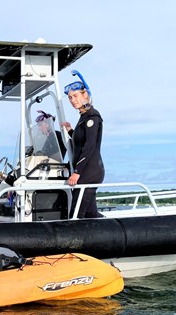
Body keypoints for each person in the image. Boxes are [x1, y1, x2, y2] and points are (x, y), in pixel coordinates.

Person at [61, 72, 105, 219]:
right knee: (90, 214)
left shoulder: (92, 116)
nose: (73, 100)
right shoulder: (83, 117)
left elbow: (89, 145)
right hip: (85, 172)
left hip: (89, 172)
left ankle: (72, 240)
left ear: (85, 94)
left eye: (76, 96)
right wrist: (70, 130)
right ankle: (104, 237)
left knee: (76, 214)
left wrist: (77, 172)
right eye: (70, 98)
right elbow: (80, 141)